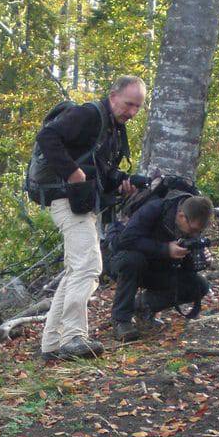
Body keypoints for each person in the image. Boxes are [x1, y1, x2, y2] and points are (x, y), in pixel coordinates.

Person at [32, 76, 146, 361]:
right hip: (65, 199)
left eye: (137, 107)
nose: (131, 112)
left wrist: (124, 181)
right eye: (128, 104)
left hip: (81, 204)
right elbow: (47, 137)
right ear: (113, 95)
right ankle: (73, 336)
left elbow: (101, 171)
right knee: (88, 267)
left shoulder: (113, 130)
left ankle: (52, 344)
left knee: (76, 270)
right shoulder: (89, 114)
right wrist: (73, 173)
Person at [109, 194, 214, 342]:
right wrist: (165, 249)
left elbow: (187, 269)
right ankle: (121, 320)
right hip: (124, 263)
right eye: (193, 230)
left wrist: (200, 258)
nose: (195, 234)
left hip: (161, 269)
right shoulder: (154, 209)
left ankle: (143, 305)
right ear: (181, 216)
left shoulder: (192, 224)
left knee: (199, 285)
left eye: (199, 231)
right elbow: (126, 240)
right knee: (133, 260)